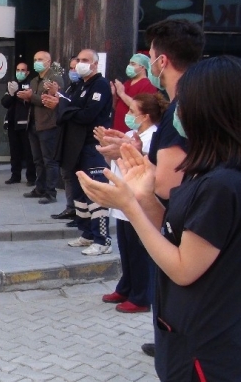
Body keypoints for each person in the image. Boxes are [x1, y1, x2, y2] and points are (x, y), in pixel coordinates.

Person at [77, 55, 241, 380]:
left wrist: (130, 209)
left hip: (207, 350)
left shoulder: (223, 184)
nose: (176, 113)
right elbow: (177, 230)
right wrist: (144, 196)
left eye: (183, 104)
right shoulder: (203, 171)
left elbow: (184, 267)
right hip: (182, 336)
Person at [99, 92, 166, 313]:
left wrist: (132, 150)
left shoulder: (154, 136)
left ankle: (141, 296)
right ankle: (126, 286)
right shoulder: (130, 133)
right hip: (122, 201)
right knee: (126, 249)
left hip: (139, 202)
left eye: (132, 112)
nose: (127, 115)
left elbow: (151, 165)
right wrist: (106, 148)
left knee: (139, 253)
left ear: (145, 116)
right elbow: (114, 161)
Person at [50, 49, 113, 255]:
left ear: (95, 64)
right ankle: (86, 234)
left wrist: (68, 110)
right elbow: (68, 108)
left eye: (85, 60)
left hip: (91, 146)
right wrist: (67, 109)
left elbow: (87, 114)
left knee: (96, 194)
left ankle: (102, 240)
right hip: (75, 147)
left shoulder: (100, 85)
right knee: (79, 194)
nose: (80, 63)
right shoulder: (79, 85)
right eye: (78, 60)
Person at [20, 51, 63, 204]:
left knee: (49, 160)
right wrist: (27, 98)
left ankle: (51, 192)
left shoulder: (54, 79)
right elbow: (33, 100)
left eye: (40, 59)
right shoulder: (33, 81)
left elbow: (48, 101)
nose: (37, 62)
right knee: (37, 160)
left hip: (47, 124)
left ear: (48, 61)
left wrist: (31, 97)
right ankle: (40, 188)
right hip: (33, 124)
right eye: (35, 59)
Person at [52, 57, 80, 224]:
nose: (73, 71)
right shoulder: (71, 86)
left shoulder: (85, 88)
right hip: (66, 134)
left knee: (75, 176)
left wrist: (60, 99)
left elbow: (73, 109)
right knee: (67, 175)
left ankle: (79, 212)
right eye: (71, 68)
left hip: (76, 137)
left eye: (76, 68)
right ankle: (71, 207)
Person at [1, 62, 36, 185]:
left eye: (23, 70)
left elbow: (31, 102)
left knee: (29, 153)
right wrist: (11, 94)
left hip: (26, 124)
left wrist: (20, 94)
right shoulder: (12, 84)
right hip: (12, 123)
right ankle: (15, 176)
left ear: (27, 72)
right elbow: (4, 103)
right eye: (18, 70)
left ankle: (31, 178)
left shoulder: (31, 84)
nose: (20, 72)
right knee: (14, 152)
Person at [110, 54, 156, 133]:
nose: (129, 66)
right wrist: (114, 95)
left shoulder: (148, 85)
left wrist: (122, 94)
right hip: (118, 128)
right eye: (129, 63)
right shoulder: (127, 83)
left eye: (133, 64)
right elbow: (116, 107)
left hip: (132, 132)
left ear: (142, 67)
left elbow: (141, 107)